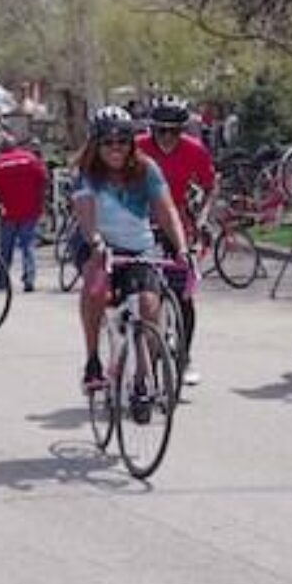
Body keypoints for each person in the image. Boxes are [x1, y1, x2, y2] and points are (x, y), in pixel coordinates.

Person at [74, 107, 190, 391]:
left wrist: (182, 248)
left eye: (123, 142)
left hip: (139, 249)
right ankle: (92, 361)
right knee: (94, 290)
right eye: (108, 142)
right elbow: (86, 214)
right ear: (96, 144)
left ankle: (142, 374)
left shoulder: (147, 169)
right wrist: (97, 243)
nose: (116, 148)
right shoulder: (87, 172)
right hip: (100, 246)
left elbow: (166, 211)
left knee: (150, 305)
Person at [136, 95, 216, 385]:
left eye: (174, 131)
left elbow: (209, 186)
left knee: (183, 296)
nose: (167, 138)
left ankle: (184, 355)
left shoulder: (194, 151)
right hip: (139, 223)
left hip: (177, 225)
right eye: (161, 131)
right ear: (151, 129)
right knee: (137, 290)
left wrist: (203, 217)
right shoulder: (137, 147)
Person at [0, 131, 50, 291]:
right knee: (28, 246)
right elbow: (44, 179)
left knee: (5, 248)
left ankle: (2, 280)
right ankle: (29, 279)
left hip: (8, 212)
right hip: (30, 209)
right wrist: (40, 201)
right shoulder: (31, 159)